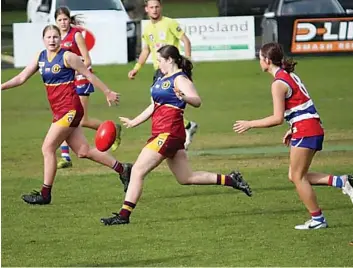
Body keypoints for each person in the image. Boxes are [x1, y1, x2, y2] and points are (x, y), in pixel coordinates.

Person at [100, 45, 252, 226]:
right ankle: (231, 179)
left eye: (160, 60)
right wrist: (134, 121)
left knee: (138, 171)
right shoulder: (161, 78)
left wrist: (184, 97)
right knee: (186, 178)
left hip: (169, 132)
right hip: (164, 133)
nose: (158, 63)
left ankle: (123, 215)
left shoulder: (180, 79)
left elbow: (197, 101)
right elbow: (154, 105)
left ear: (170, 59)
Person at [1, 25, 132, 205]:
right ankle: (123, 169)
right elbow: (21, 78)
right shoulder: (40, 58)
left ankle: (45, 194)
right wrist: (2, 86)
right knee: (83, 151)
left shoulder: (68, 56)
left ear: (60, 39)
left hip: (70, 109)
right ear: (43, 39)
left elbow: (89, 75)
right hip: (59, 111)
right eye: (49, 37)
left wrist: (107, 92)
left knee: (47, 148)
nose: (52, 40)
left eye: (55, 37)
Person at [233, 42, 353, 230]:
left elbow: (277, 118)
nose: (259, 62)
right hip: (309, 127)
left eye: (260, 58)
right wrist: (293, 127)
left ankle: (318, 219)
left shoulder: (278, 83)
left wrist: (250, 124)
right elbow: (304, 105)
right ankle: (342, 182)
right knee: (295, 175)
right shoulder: (289, 75)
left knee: (297, 176)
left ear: (267, 60)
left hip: (307, 130)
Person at [55, 6, 122, 169]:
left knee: (80, 119)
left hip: (82, 79)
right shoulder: (56, 38)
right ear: (55, 22)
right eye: (59, 20)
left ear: (69, 20)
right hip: (68, 81)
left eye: (65, 19)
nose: (63, 23)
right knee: (67, 116)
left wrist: (77, 68)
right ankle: (65, 156)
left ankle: (113, 129)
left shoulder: (76, 35)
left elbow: (87, 59)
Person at [127, 0, 198, 150]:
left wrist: (188, 60)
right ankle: (185, 127)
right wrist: (136, 68)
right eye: (151, 7)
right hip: (159, 71)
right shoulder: (147, 29)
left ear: (161, 7)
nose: (154, 10)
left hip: (171, 70)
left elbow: (186, 41)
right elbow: (146, 50)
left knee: (161, 102)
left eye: (157, 7)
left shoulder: (170, 23)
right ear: (146, 9)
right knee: (159, 102)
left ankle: (172, 132)